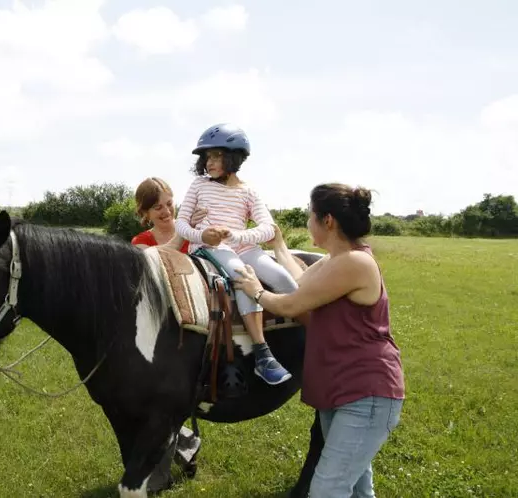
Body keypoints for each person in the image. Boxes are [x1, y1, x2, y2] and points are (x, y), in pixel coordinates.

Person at [232, 183, 405, 498]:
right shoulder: (334, 261)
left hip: (365, 393)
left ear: (328, 221)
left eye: (310, 215)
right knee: (356, 490)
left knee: (327, 490)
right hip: (340, 389)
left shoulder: (355, 263)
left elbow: (292, 304)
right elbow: (300, 280)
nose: (307, 221)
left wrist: (255, 290)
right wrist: (280, 245)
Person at [174, 123, 298, 386]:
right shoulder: (199, 185)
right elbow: (181, 224)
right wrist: (202, 236)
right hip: (211, 248)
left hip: (244, 246)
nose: (210, 162)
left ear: (234, 157)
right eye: (207, 157)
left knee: (284, 279)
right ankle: (263, 357)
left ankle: (308, 336)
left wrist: (239, 236)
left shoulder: (249, 191)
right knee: (243, 279)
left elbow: (268, 228)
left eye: (217, 156)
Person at [130, 176, 207, 468]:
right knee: (159, 393)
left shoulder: (191, 232)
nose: (165, 211)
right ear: (145, 213)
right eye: (156, 207)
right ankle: (183, 445)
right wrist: (187, 233)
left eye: (169, 203)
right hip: (165, 326)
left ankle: (181, 446)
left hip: (201, 321)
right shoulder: (141, 243)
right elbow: (158, 267)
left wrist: (199, 230)